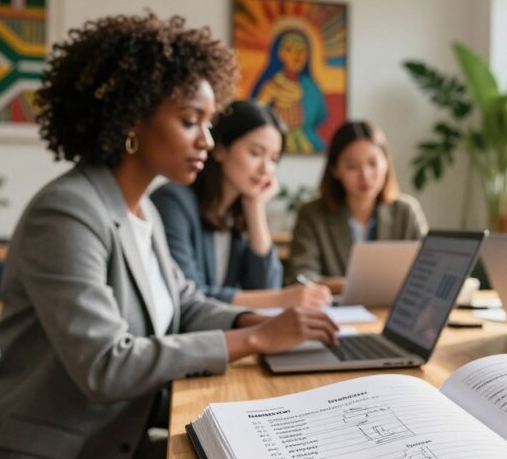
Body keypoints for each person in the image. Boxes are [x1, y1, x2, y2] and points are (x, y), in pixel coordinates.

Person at [0, 13, 339, 459]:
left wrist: (258, 321)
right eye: (190, 122)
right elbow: (106, 365)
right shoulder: (68, 212)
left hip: (114, 444)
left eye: (208, 124)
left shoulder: (140, 208)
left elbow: (183, 303)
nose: (207, 141)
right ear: (130, 119)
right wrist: (253, 340)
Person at [151, 99, 332, 309]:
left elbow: (265, 287)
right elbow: (189, 297)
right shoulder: (172, 201)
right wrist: (282, 298)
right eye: (255, 153)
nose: (266, 169)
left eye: (274, 159)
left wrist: (255, 208)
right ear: (219, 149)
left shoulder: (237, 211)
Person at [285, 121, 428, 293]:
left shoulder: (406, 211)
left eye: (373, 163)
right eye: (352, 166)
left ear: (386, 164)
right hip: (334, 313)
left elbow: (427, 270)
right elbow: (300, 277)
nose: (365, 175)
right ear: (335, 170)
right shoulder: (312, 214)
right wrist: (352, 287)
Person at [251, 29, 327, 153]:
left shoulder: (311, 86)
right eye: (290, 50)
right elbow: (256, 115)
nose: (296, 56)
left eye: (301, 51)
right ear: (280, 53)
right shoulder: (273, 85)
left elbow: (321, 116)